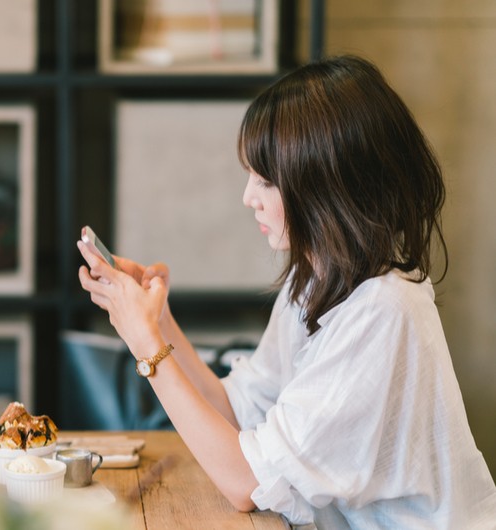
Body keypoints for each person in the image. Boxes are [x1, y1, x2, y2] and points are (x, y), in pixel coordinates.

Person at [77, 55, 496, 528]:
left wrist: (146, 345)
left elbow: (244, 482)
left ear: (324, 185)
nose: (248, 197)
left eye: (265, 179)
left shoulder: (384, 309)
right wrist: (158, 322)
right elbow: (239, 415)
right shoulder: (316, 282)